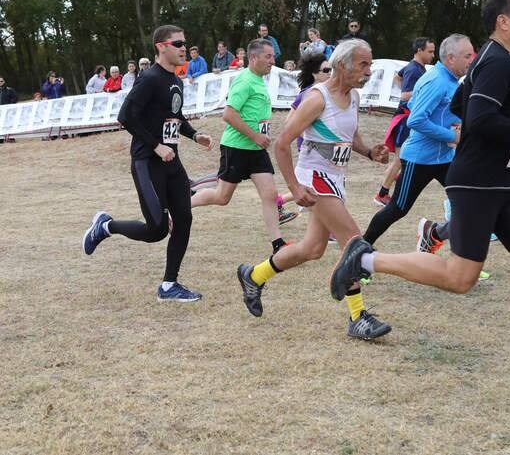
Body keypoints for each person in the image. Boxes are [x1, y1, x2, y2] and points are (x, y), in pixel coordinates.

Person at [328, 0, 510, 395]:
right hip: (479, 182)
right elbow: (478, 120)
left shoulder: (499, 63)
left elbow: (463, 104)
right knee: (461, 278)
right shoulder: (497, 62)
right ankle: (366, 259)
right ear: (504, 21)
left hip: (504, 181)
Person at [235, 39, 394, 340]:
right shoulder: (317, 99)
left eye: (370, 64)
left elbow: (349, 136)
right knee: (354, 242)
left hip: (336, 179)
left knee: (313, 249)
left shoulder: (354, 97)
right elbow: (282, 144)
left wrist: (370, 152)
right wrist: (294, 187)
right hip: (314, 178)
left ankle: (254, 275)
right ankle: (358, 317)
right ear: (342, 65)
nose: (369, 71)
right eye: (363, 64)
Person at [81, 24, 214, 302]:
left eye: (184, 43)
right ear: (161, 46)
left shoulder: (175, 78)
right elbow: (126, 116)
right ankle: (106, 226)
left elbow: (174, 115)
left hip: (172, 162)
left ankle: (169, 286)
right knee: (156, 230)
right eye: (177, 43)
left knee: (184, 220)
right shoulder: (149, 78)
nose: (183, 48)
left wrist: (194, 135)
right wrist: (155, 146)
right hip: (147, 162)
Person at [362, 34, 469, 248]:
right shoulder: (437, 81)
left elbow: (445, 114)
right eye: (467, 56)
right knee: (397, 209)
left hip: (445, 158)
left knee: (468, 203)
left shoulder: (451, 80)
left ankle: (440, 241)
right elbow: (416, 120)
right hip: (420, 159)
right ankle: (360, 248)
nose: (471, 61)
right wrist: (452, 136)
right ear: (450, 58)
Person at [191, 39, 288, 254]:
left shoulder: (258, 79)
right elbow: (228, 114)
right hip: (236, 148)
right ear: (254, 58)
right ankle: (183, 204)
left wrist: (259, 137)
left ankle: (278, 244)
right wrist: (255, 135)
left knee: (270, 195)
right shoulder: (244, 80)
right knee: (222, 197)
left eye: (273, 56)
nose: (273, 60)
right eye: (268, 56)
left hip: (256, 150)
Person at [374, 37, 435, 207]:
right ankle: (382, 194)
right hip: (405, 119)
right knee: (400, 160)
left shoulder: (413, 67)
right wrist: (427, 92)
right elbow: (404, 96)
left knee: (405, 160)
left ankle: (390, 192)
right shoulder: (415, 70)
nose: (433, 55)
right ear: (419, 51)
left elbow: (396, 77)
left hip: (407, 118)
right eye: (430, 51)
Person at [275, 52, 332, 219]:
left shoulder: (322, 92)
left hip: (322, 148)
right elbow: (289, 120)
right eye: (326, 70)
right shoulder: (308, 94)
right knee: (319, 186)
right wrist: (307, 136)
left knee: (312, 186)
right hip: (311, 148)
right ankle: (329, 227)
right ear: (315, 73)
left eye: (331, 70)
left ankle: (279, 201)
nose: (330, 74)